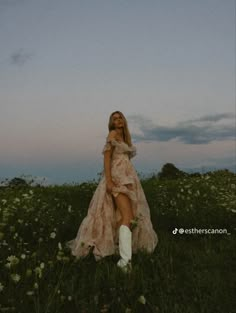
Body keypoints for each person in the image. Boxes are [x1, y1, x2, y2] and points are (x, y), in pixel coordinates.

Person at [66, 111, 158, 273]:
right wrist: (109, 180)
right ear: (112, 123)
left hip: (128, 178)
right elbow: (107, 158)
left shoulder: (125, 137)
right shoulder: (112, 134)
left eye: (120, 117)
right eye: (114, 119)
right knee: (127, 217)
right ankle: (125, 262)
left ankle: (124, 256)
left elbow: (124, 159)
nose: (118, 120)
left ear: (124, 120)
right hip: (117, 179)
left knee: (128, 217)